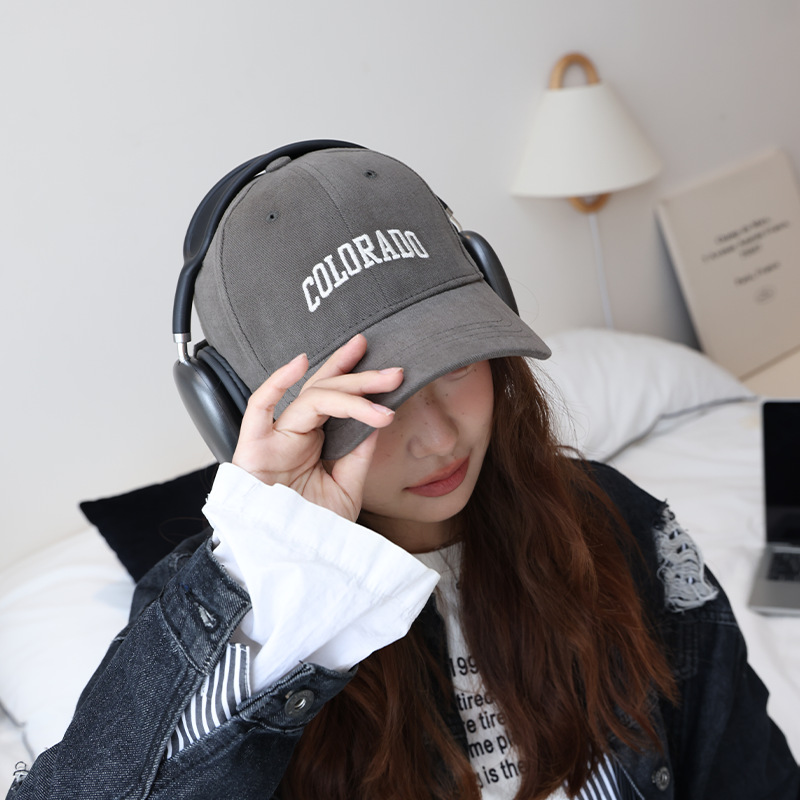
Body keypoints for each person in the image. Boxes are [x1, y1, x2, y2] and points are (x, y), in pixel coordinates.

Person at [8, 143, 799, 800]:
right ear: (236, 414)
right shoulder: (236, 631)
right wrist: (276, 574)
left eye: (455, 363)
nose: (438, 439)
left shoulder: (617, 525)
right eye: (369, 401)